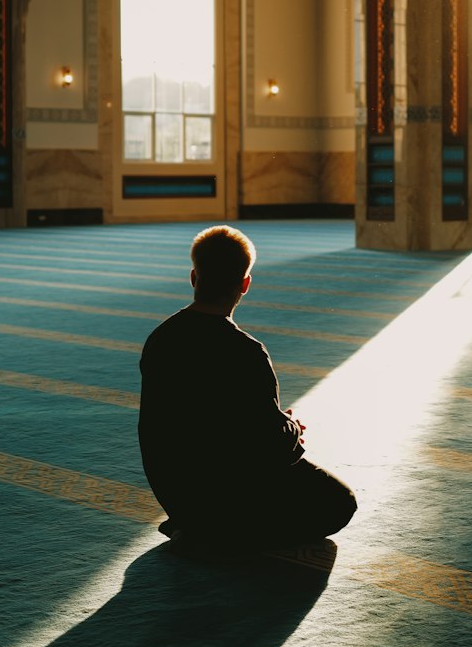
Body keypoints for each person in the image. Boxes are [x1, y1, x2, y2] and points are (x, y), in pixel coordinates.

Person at [138, 225, 358, 554]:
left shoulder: (160, 339)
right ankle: (229, 535)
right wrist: (291, 428)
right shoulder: (246, 352)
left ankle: (196, 526)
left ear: (194, 278)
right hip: (230, 498)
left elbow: (158, 427)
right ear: (245, 284)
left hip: (178, 493)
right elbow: (266, 446)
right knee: (340, 502)